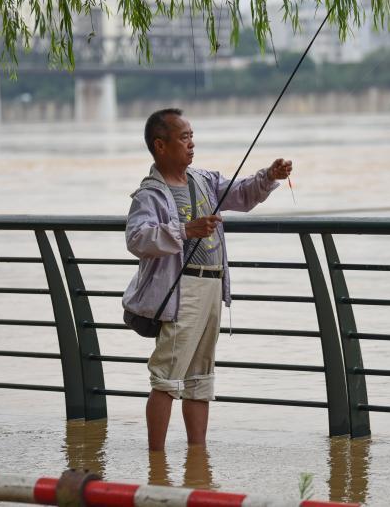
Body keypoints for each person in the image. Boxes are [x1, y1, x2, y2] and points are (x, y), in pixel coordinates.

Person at [122, 108, 292, 451]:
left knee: (201, 379)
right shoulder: (149, 194)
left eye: (192, 136)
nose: (191, 144)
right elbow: (137, 239)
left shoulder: (203, 180)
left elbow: (242, 194)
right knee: (167, 377)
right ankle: (157, 459)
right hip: (181, 293)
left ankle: (196, 457)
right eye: (183, 137)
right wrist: (185, 230)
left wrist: (269, 176)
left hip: (213, 285)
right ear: (160, 145)